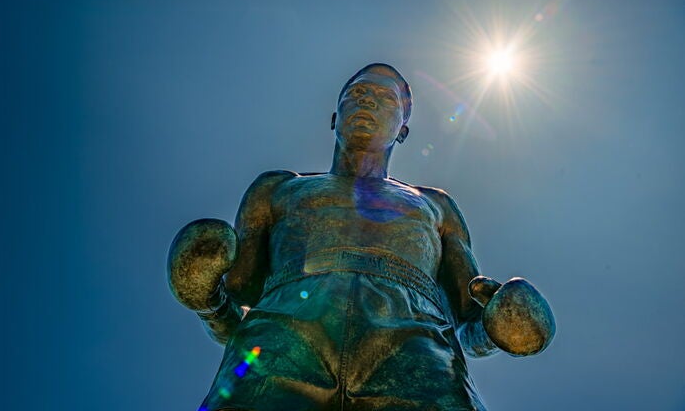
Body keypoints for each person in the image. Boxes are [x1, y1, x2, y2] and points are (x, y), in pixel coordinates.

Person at [168, 63, 554, 411]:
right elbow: (238, 306)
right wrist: (206, 299)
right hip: (277, 351)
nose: (368, 101)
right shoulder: (276, 189)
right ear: (334, 118)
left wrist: (504, 324)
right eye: (357, 94)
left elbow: (468, 322)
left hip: (417, 359)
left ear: (403, 129)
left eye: (386, 98)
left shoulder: (437, 207)